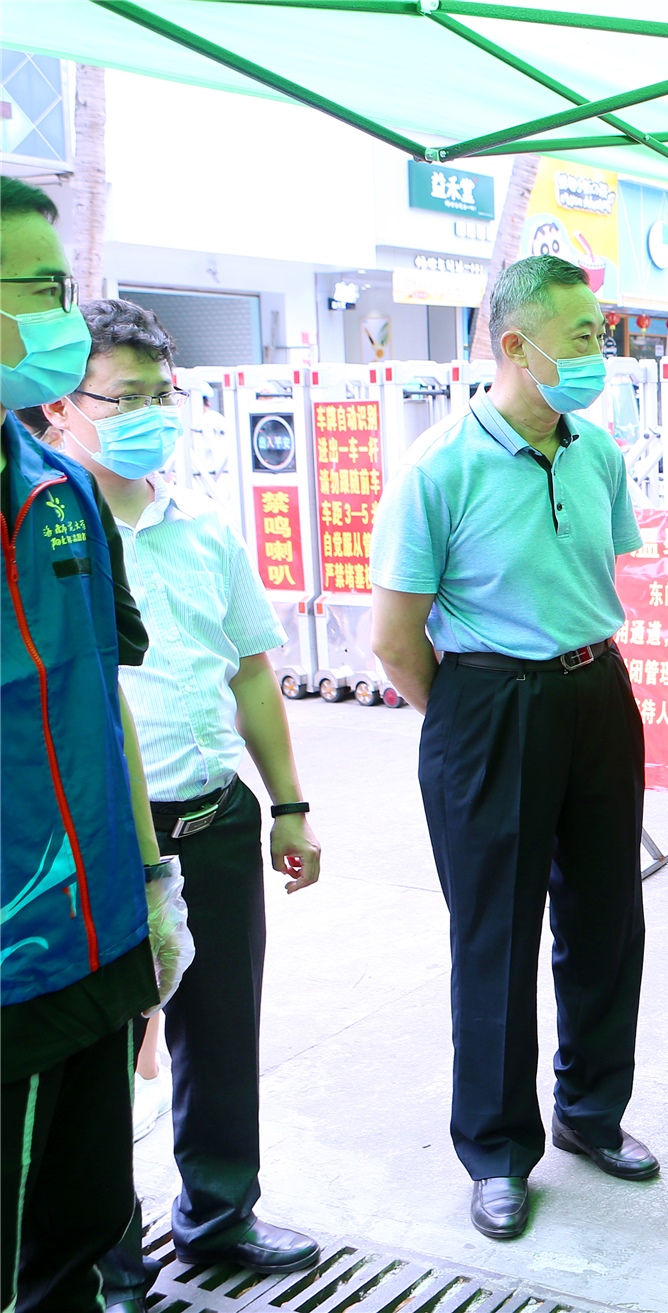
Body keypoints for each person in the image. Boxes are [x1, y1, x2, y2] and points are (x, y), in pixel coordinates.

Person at [22, 298, 326, 1293]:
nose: (153, 413)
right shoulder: (48, 525)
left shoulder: (201, 530)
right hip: (105, 833)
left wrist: (285, 802)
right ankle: (107, 1251)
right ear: (61, 407)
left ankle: (220, 1213)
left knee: (221, 1031)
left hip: (216, 814)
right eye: (129, 396)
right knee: (98, 1058)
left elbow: (250, 671)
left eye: (164, 393)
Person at [370, 254, 653, 1241]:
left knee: (607, 917)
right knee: (494, 936)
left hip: (596, 689)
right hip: (485, 702)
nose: (597, 351)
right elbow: (394, 640)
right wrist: (470, 712)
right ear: (514, 346)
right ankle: (496, 1151)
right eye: (580, 334)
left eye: (599, 332)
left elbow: (593, 569)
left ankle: (590, 1111)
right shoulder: (438, 465)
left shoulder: (596, 452)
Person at [1, 176, 188, 1311]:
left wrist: (153, 883)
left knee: (78, 1232)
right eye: (42, 289)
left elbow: (101, 698)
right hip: (7, 969)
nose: (67, 316)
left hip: (95, 939)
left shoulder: (62, 486)